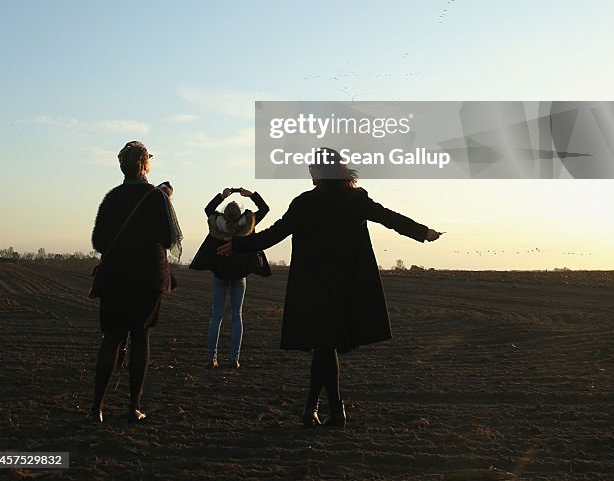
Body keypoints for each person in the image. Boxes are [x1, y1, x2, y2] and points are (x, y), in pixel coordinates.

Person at [219, 150, 443, 427]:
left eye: (312, 167)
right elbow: (390, 218)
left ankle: (319, 409)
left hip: (313, 287)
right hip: (347, 286)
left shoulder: (304, 203)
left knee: (324, 346)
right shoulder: (354, 199)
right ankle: (331, 410)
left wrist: (239, 244)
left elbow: (274, 234)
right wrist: (423, 232)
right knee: (326, 347)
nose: (309, 171)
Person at [86, 141, 183, 423]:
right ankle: (133, 407)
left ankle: (96, 409)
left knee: (112, 338)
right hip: (147, 279)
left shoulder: (111, 197)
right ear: (143, 165)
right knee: (141, 338)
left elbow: (98, 241)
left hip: (115, 278)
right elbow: (170, 239)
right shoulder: (156, 198)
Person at [189, 186, 270, 370]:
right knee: (236, 317)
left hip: (219, 275)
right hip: (239, 276)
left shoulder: (216, 224)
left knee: (216, 316)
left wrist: (221, 196)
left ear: (225, 214)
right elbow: (265, 209)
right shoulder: (248, 224)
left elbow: (208, 209)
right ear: (240, 213)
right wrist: (251, 195)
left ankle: (212, 357)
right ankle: (235, 358)